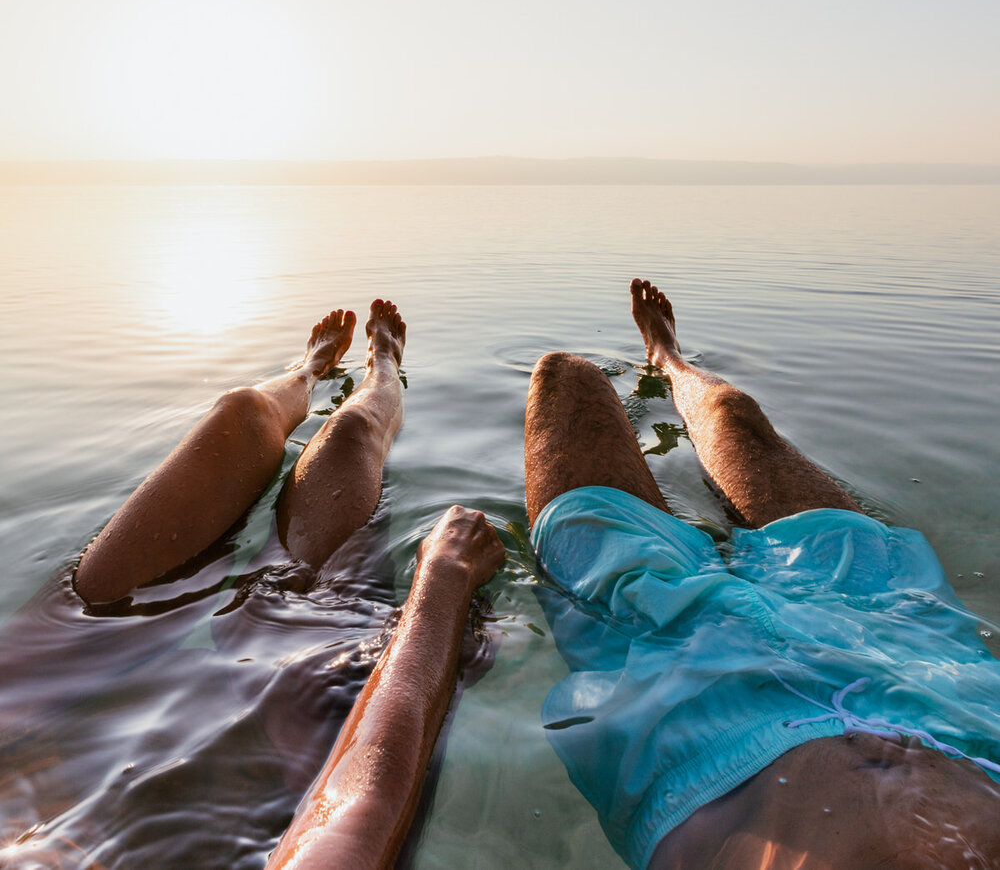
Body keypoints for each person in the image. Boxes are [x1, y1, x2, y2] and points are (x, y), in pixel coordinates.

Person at [0, 299, 505, 869]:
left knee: (237, 416)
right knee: (347, 436)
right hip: (288, 733)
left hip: (41, 750)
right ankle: (384, 363)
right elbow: (362, 811)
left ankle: (309, 370)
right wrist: (443, 581)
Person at [525, 279, 1000, 870]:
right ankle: (668, 358)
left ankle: (665, 372)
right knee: (734, 415)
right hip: (925, 670)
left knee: (564, 378)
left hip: (692, 731)